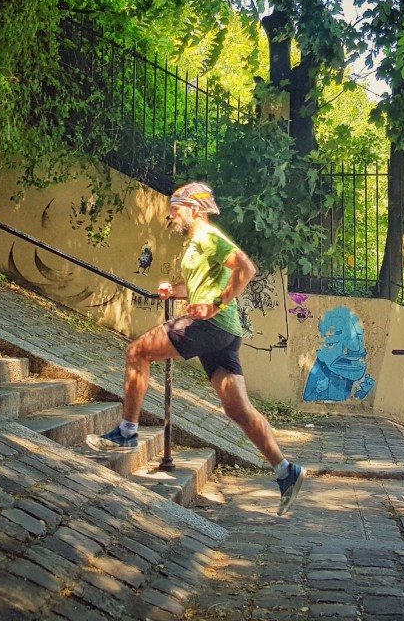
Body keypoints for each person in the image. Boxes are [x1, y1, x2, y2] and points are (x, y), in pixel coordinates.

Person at [86, 181, 305, 515]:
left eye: (176, 208)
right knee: (238, 410)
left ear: (194, 209)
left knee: (137, 352)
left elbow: (246, 270)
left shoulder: (207, 237)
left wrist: (215, 304)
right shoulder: (196, 243)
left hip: (211, 324)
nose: (172, 215)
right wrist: (174, 291)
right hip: (226, 333)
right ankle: (286, 470)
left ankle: (127, 432)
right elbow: (200, 286)